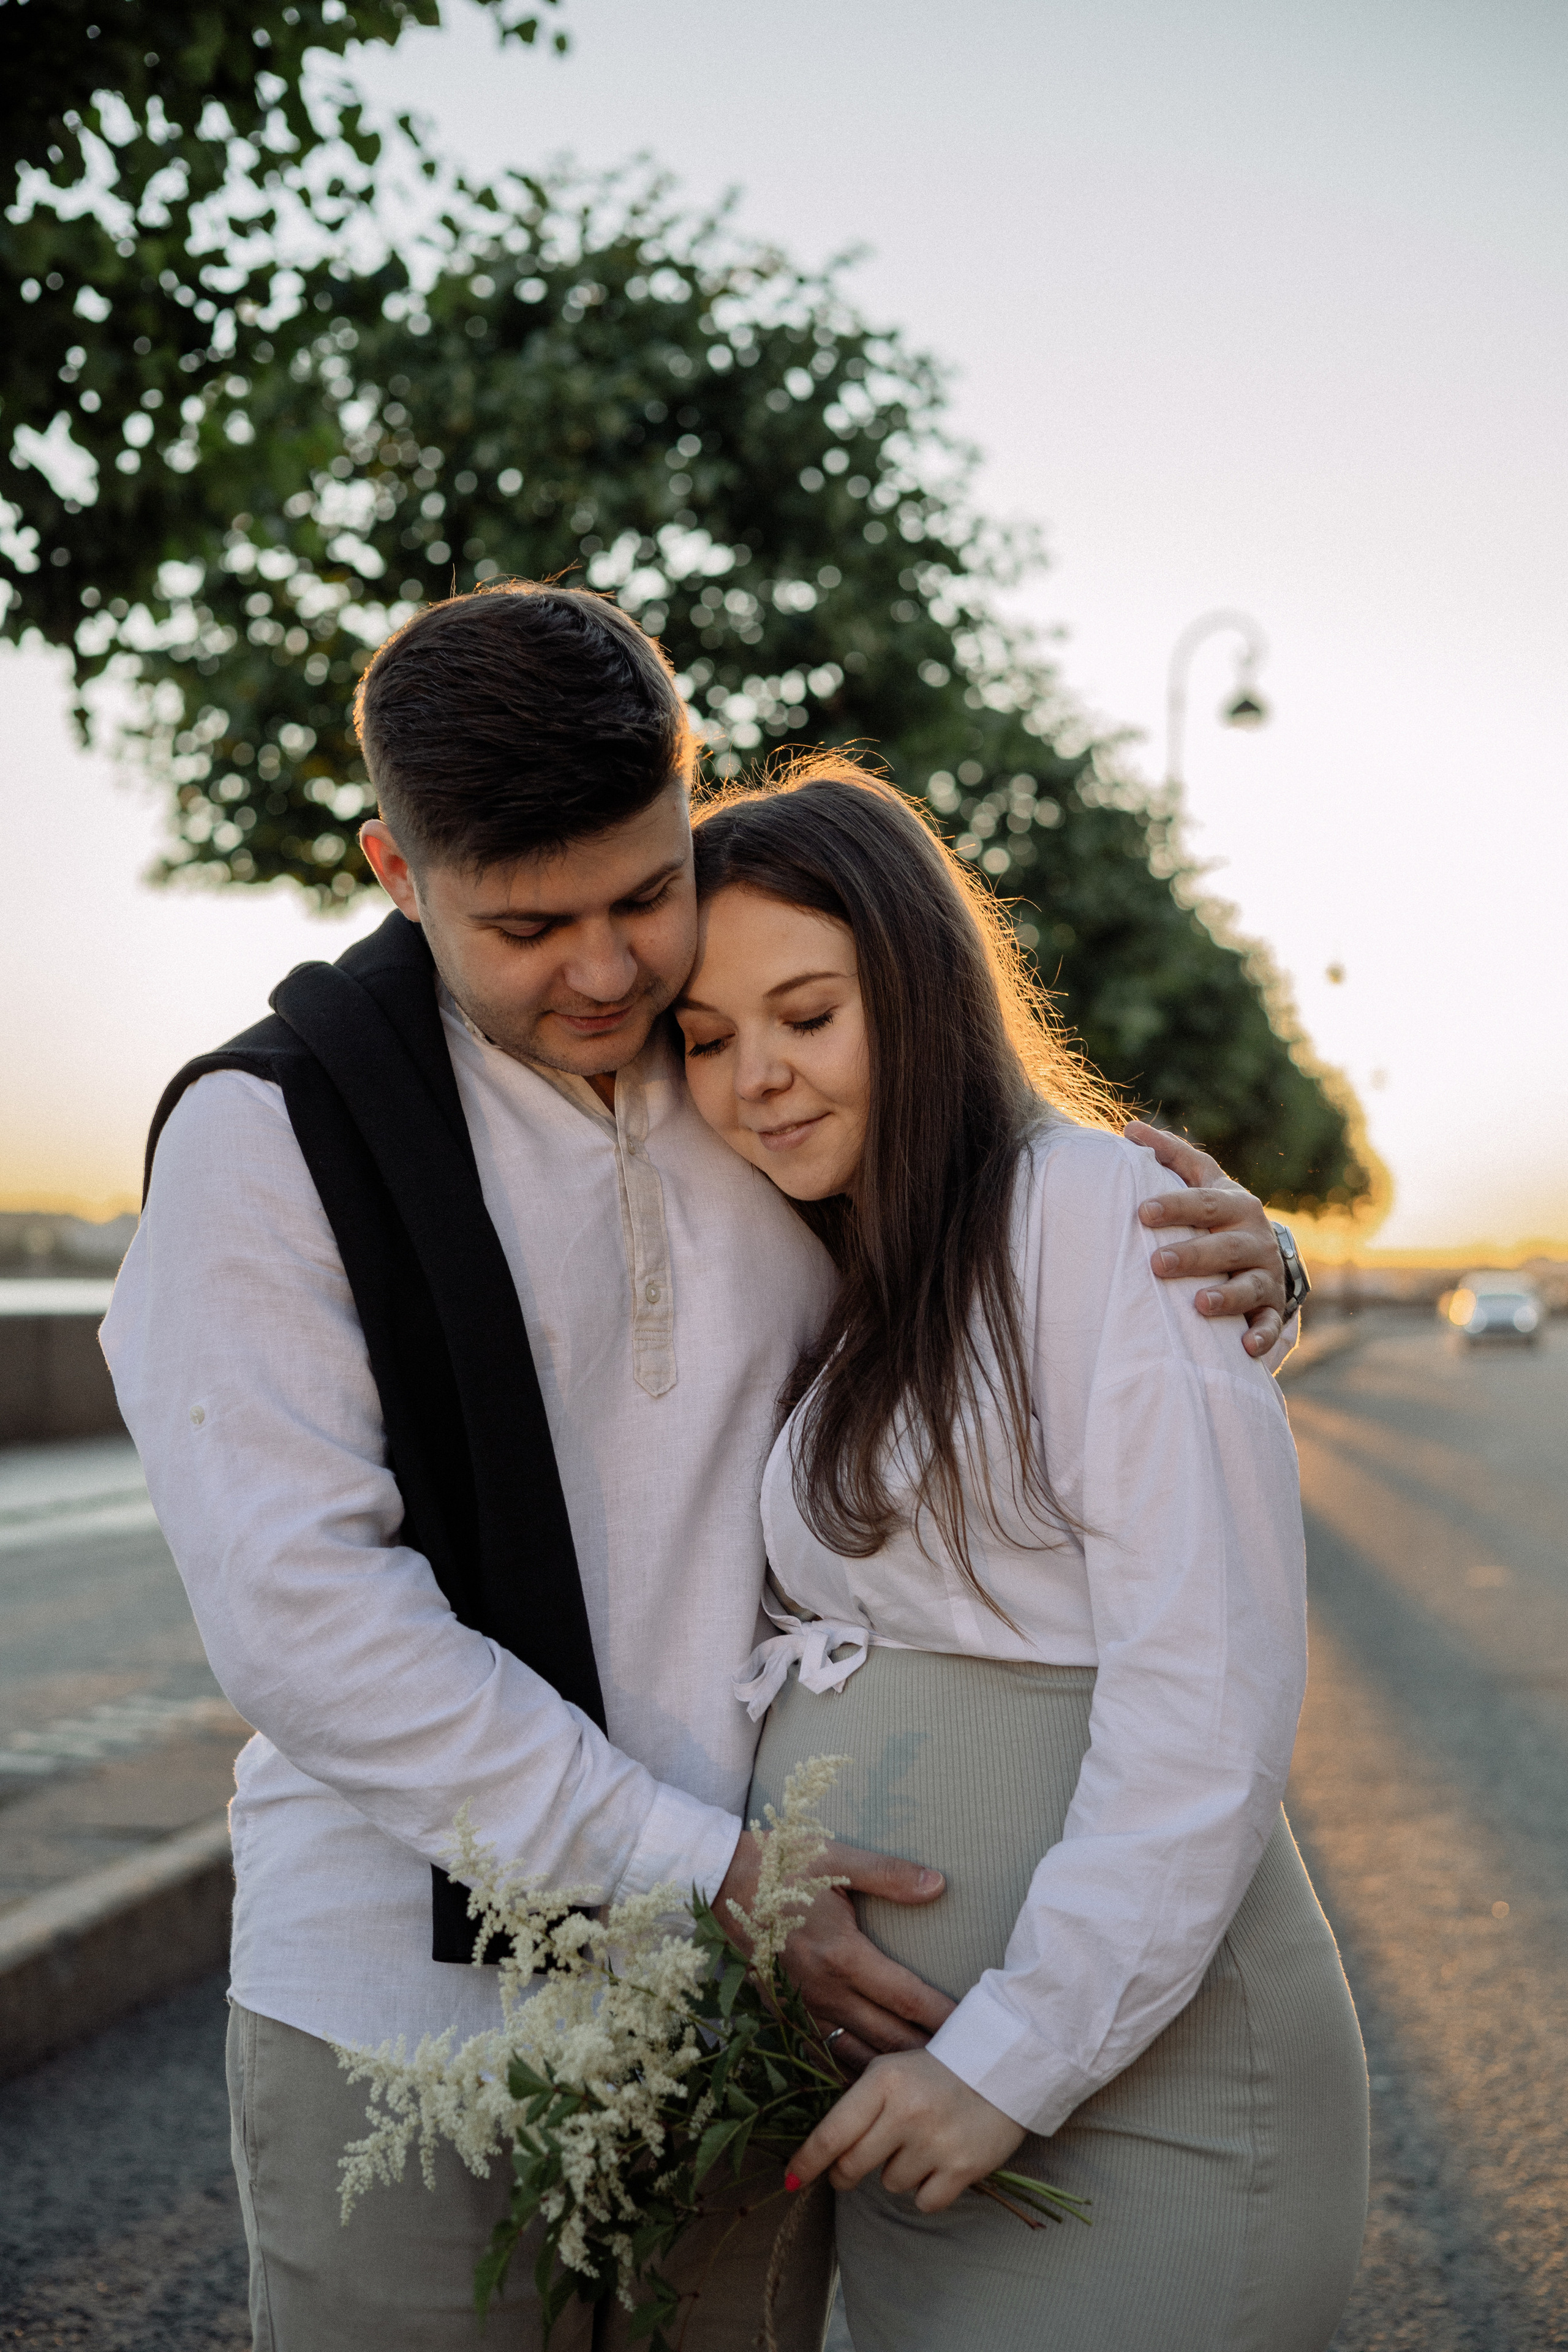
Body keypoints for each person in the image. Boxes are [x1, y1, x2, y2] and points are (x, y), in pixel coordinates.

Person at [101, 584, 1298, 2352]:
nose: (604, 973)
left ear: (690, 804)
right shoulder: (264, 1138)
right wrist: (711, 1870)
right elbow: (303, 1618)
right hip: (409, 2010)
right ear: (392, 871)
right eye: (526, 926)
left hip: (761, 2013)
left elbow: (991, 1257)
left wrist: (1232, 1277)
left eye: (644, 894)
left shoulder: (733, 1058)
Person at [674, 762, 1369, 2352]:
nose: (756, 1078)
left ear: (919, 997)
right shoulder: (845, 1264)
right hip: (926, 2112)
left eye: (807, 1015)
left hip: (1127, 2091)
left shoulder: (1092, 1215)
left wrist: (1016, 2055)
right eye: (708, 1041)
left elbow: (1211, 1692)